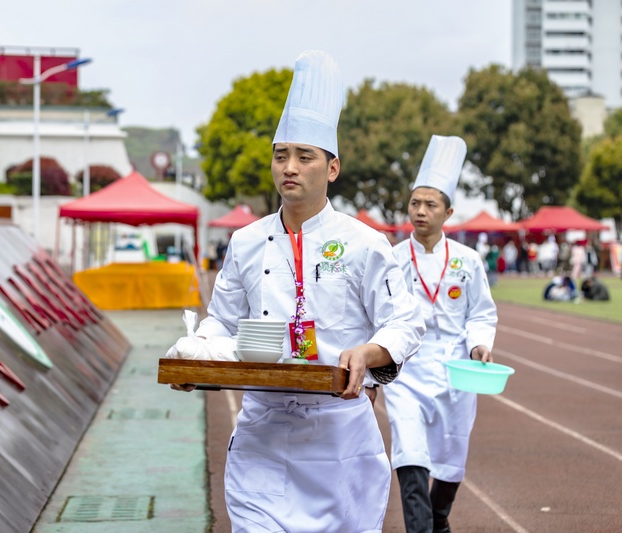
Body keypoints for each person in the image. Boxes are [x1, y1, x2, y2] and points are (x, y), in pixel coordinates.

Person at [167, 50, 425, 532]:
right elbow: (220, 322)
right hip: (263, 431)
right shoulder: (244, 242)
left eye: (304, 157)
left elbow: (406, 320)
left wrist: (368, 353)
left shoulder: (365, 243)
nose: (289, 167)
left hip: (340, 438)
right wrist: (194, 358)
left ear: (331, 168)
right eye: (281, 155)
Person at [383, 135, 498, 533]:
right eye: (415, 203)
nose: (420, 211)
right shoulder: (393, 259)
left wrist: (481, 344)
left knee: (451, 460)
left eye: (431, 204)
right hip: (407, 372)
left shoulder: (468, 261)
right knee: (409, 453)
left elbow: (481, 313)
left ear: (447, 212)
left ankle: (439, 520)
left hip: (455, 372)